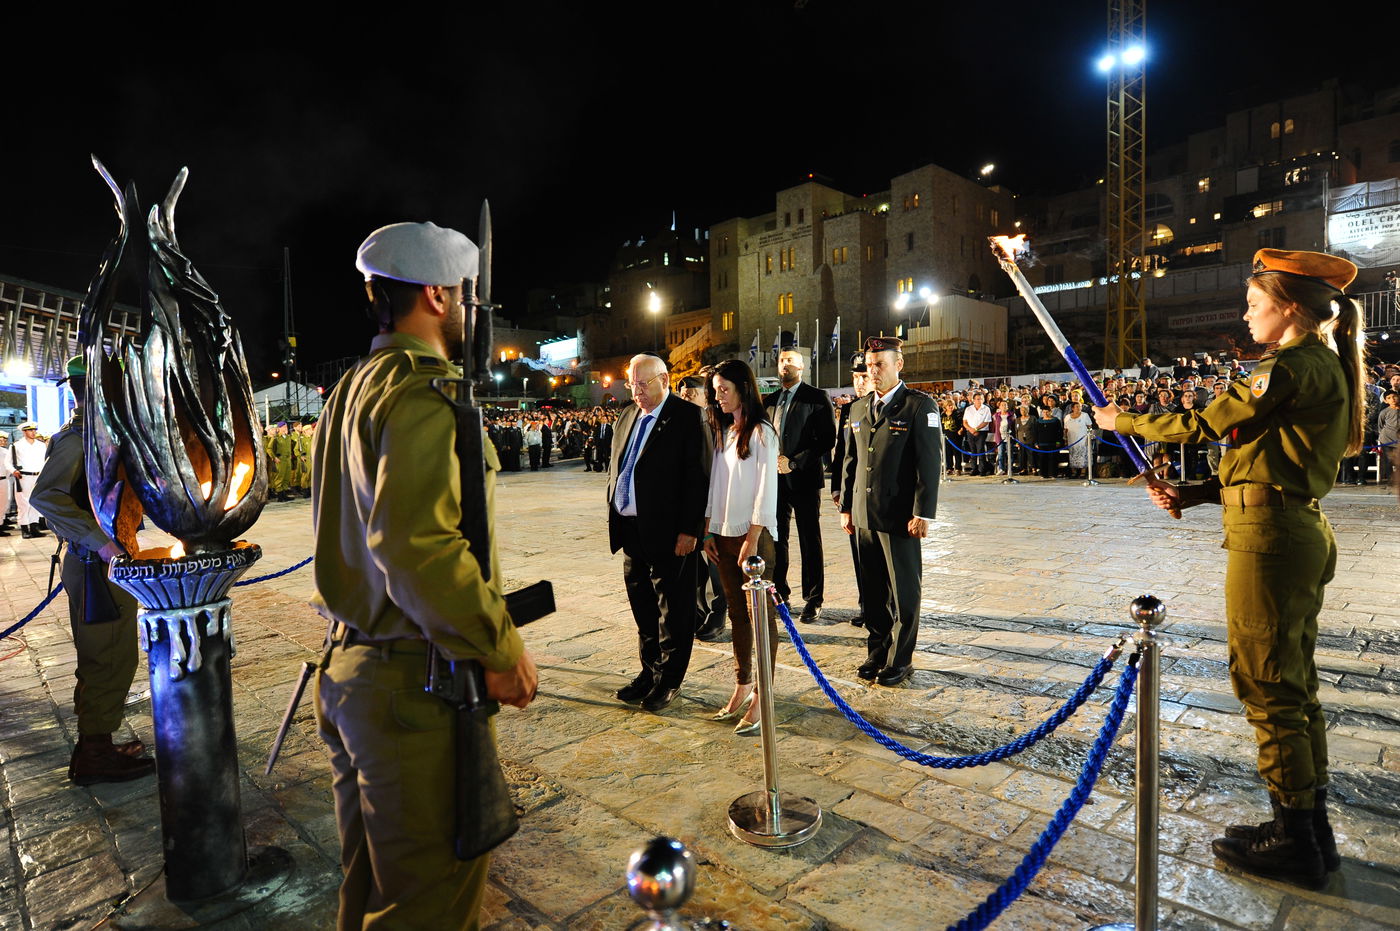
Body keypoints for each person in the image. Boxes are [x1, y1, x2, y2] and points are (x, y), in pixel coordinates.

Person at [1093, 248, 1364, 890]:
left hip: (1272, 539)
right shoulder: (1315, 364)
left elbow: (1204, 421)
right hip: (1282, 526)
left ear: (1288, 305)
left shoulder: (1293, 366)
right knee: (1291, 685)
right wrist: (1197, 493)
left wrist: (1119, 419)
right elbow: (1269, 459)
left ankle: (1294, 839)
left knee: (1267, 684)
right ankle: (1307, 828)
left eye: (1252, 302)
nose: (1245, 315)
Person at [311, 220, 538, 930]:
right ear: (438, 297)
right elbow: (417, 545)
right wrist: (500, 647)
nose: (471, 310)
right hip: (413, 688)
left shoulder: (353, 389)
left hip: (353, 671)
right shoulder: (423, 393)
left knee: (367, 894)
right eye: (465, 296)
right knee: (430, 905)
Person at [30, 357, 156, 785]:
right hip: (95, 566)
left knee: (112, 655)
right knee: (107, 657)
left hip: (106, 564)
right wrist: (101, 544)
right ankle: (95, 754)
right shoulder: (78, 439)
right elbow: (46, 497)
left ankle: (97, 742)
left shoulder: (102, 435)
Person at [607, 353, 711, 712]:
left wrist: (690, 530)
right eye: (631, 384)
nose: (636, 391)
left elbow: (697, 478)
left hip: (671, 533)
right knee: (643, 608)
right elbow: (618, 466)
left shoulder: (687, 417)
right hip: (632, 529)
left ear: (664, 380)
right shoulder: (628, 416)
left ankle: (670, 680)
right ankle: (649, 671)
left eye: (642, 384)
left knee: (675, 610)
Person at [838, 337, 940, 687]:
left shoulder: (918, 406)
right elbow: (851, 462)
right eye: (869, 365)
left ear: (899, 365)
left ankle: (900, 659)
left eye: (880, 364)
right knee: (873, 592)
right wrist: (847, 508)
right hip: (864, 515)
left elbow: (929, 464)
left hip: (900, 517)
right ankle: (877, 650)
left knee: (905, 593)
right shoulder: (857, 409)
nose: (873, 371)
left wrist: (923, 512)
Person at [703, 359, 779, 735]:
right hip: (723, 533)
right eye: (715, 390)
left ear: (743, 388)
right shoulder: (725, 432)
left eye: (724, 389)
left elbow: (767, 490)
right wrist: (708, 530)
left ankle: (765, 695)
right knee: (735, 613)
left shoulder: (762, 432)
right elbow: (716, 485)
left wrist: (752, 537)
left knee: (761, 618)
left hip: (755, 536)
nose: (718, 396)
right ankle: (743, 682)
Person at [763, 348, 835, 623]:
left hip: (803, 478)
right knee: (778, 538)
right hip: (775, 481)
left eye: (791, 361)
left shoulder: (816, 397)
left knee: (809, 539)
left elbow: (826, 439)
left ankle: (813, 598)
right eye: (782, 361)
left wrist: (794, 462)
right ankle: (780, 593)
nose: (785, 365)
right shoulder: (769, 401)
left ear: (802, 367)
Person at [684, 374, 728, 642]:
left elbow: (713, 470)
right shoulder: (681, 422)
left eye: (692, 393)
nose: (686, 397)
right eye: (684, 394)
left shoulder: (714, 422)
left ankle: (717, 615)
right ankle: (700, 613)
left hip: (712, 505)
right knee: (696, 570)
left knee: (714, 568)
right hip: (689, 507)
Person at [831, 358, 873, 627]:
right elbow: (842, 454)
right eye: (855, 377)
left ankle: (882, 606)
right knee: (859, 553)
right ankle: (866, 604)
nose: (859, 382)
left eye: (863, 377)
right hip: (852, 494)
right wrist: (838, 488)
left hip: (875, 494)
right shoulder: (849, 410)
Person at [12, 421, 48, 537]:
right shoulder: (16, 445)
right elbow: (8, 462)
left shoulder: (41, 445)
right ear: (24, 432)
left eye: (34, 430)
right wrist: (13, 471)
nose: (33, 432)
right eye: (30, 430)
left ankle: (34, 527)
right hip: (24, 477)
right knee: (23, 503)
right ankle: (24, 529)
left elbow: (44, 461)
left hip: (38, 476)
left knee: (35, 502)